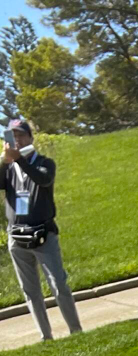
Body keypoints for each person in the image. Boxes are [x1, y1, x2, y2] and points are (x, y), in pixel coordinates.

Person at [1, 116, 81, 343]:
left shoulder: (44, 162)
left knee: (58, 284)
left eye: (20, 136)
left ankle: (76, 331)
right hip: (16, 236)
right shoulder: (8, 169)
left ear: (30, 138)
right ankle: (46, 337)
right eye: (12, 137)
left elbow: (43, 180)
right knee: (30, 290)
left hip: (43, 234)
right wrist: (5, 161)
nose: (16, 141)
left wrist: (21, 161)